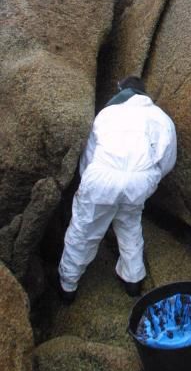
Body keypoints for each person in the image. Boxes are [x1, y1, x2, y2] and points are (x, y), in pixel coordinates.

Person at [58, 75, 177, 302]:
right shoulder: (161, 118)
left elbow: (90, 155)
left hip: (103, 176)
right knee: (129, 223)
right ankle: (133, 279)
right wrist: (149, 180)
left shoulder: (107, 114)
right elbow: (167, 160)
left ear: (121, 91)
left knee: (84, 229)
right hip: (141, 180)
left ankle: (67, 285)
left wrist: (88, 185)